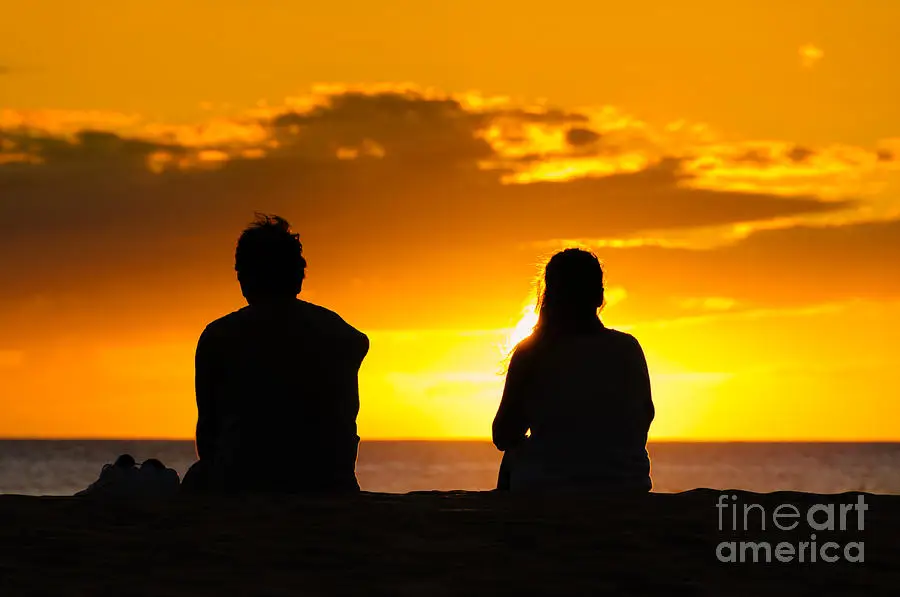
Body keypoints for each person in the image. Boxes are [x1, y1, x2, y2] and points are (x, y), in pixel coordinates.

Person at [182, 214, 368, 493]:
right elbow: (343, 424)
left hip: (244, 479)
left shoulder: (219, 337)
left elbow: (208, 436)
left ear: (245, 276)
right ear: (298, 275)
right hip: (329, 481)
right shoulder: (343, 336)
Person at [492, 248, 654, 492]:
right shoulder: (628, 348)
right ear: (599, 297)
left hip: (550, 484)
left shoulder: (532, 352)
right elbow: (643, 417)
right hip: (625, 483)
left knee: (512, 457)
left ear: (550, 296)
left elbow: (504, 435)